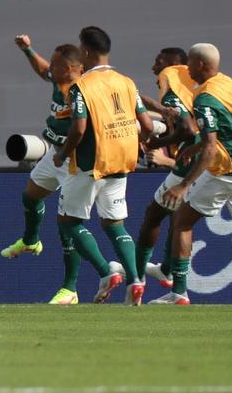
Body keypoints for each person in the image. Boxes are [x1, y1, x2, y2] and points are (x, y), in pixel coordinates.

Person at [151, 43, 232, 305]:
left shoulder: (204, 98)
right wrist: (196, 146)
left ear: (200, 65)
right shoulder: (226, 81)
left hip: (228, 171)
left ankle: (178, 293)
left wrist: (184, 185)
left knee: (182, 222)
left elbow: (211, 148)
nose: (188, 69)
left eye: (190, 64)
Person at [54, 26, 153, 306]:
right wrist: (138, 142)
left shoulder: (82, 86)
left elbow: (79, 128)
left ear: (85, 51)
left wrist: (62, 154)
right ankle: (136, 280)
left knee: (68, 222)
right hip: (122, 160)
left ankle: (107, 272)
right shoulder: (127, 82)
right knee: (115, 224)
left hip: (91, 162)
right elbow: (147, 125)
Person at [0, 34, 84, 305]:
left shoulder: (82, 91)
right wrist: (27, 49)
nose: (50, 68)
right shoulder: (58, 80)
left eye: (56, 65)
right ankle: (31, 240)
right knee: (31, 195)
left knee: (68, 225)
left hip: (74, 160)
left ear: (69, 68)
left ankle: (70, 289)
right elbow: (42, 69)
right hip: (54, 154)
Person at [134, 48, 199, 292]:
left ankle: (137, 275)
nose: (154, 68)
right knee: (180, 219)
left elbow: (188, 130)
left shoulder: (171, 83)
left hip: (192, 164)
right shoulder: (193, 86)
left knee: (154, 215)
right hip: (219, 163)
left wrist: (156, 143)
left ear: (172, 64)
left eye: (158, 62)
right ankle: (168, 272)